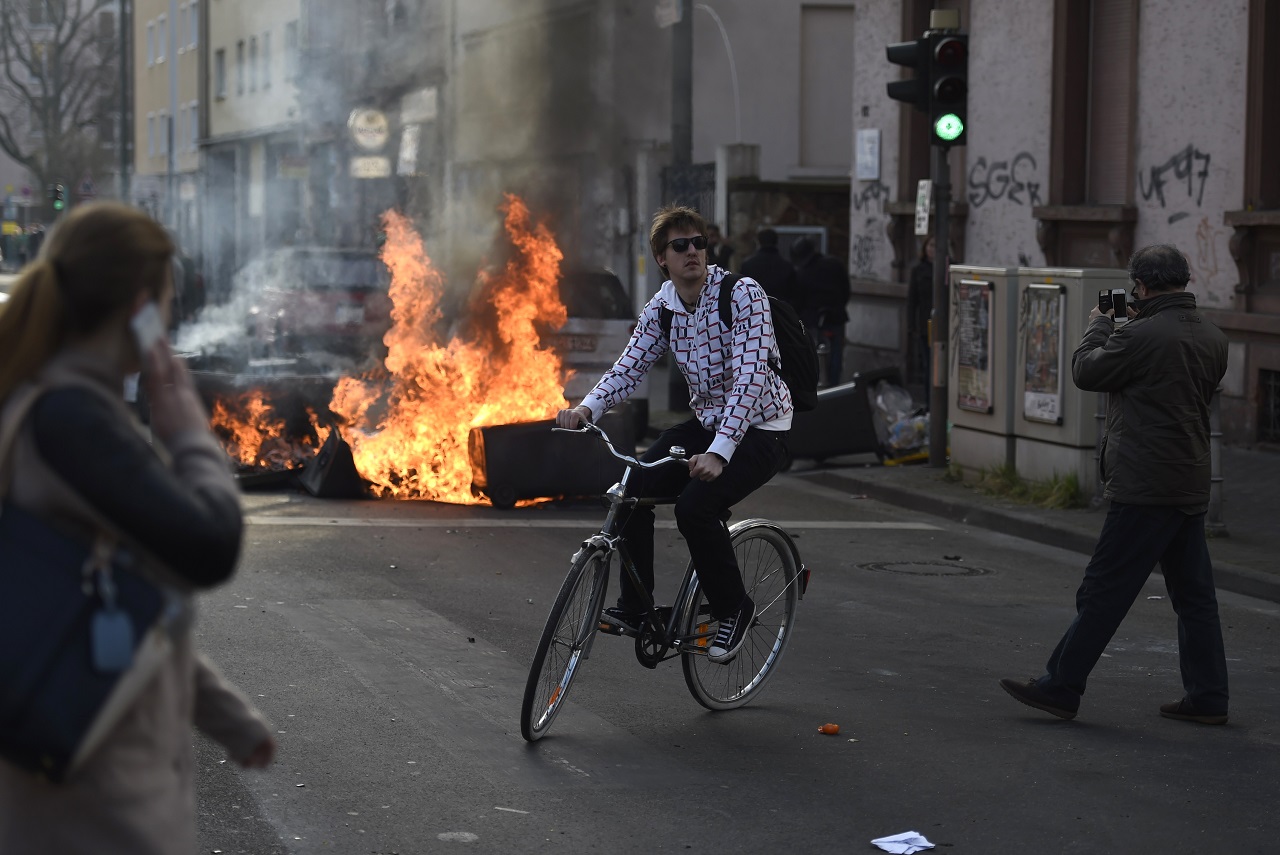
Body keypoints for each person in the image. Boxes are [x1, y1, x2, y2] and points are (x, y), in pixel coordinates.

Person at [0, 202, 275, 853]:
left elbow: (112, 596)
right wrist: (188, 434)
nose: (173, 316)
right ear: (140, 308)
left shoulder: (47, 400)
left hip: (74, 788)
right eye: (169, 299)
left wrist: (227, 716)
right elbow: (211, 545)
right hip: (99, 809)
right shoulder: (74, 421)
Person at [999, 245, 1230, 725]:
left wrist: (1099, 322)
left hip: (1145, 483)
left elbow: (1086, 370)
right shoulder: (1213, 335)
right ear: (1184, 281)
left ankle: (1061, 686)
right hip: (1189, 477)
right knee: (1195, 597)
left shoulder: (1142, 334)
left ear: (1141, 287)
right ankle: (1208, 697)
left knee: (1103, 590)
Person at [555, 205, 793, 663]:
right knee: (631, 489)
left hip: (762, 426)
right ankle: (636, 607)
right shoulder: (662, 309)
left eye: (698, 243)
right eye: (679, 245)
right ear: (661, 258)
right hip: (707, 422)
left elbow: (750, 378)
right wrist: (589, 407)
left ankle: (734, 609)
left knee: (695, 508)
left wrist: (721, 452)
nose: (692, 252)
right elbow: (629, 367)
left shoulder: (742, 294)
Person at [791, 237, 850, 386]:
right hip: (836, 316)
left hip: (813, 320)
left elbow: (798, 300)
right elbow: (846, 291)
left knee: (814, 356)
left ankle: (818, 386)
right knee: (836, 355)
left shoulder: (802, 272)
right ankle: (835, 386)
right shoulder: (835, 264)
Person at [740, 226, 799, 306]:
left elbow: (742, 293)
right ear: (776, 242)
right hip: (781, 313)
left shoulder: (748, 265)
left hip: (756, 311)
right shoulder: (787, 267)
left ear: (758, 242)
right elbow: (794, 297)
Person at [907, 235, 935, 384]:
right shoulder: (918, 270)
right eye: (930, 245)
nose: (933, 249)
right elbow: (912, 300)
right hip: (926, 323)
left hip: (945, 324)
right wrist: (911, 325)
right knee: (928, 364)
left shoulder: (948, 267)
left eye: (936, 246)